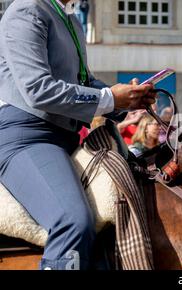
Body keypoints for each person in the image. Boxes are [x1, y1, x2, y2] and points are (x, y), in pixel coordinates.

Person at [0, 0, 155, 270]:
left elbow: (82, 81)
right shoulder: (27, 10)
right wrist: (109, 98)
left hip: (65, 138)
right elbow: (38, 90)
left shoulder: (70, 18)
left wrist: (126, 100)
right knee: (73, 220)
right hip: (26, 137)